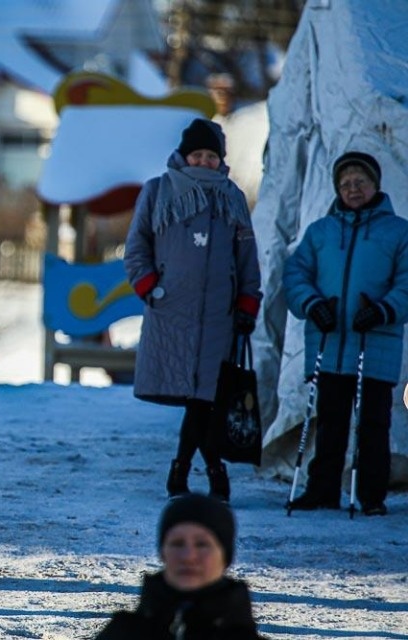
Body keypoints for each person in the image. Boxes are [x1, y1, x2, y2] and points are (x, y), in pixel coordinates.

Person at [124, 118, 262, 502]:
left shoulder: (232, 196)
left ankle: (183, 472)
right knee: (197, 400)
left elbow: (247, 256)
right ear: (183, 156)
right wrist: (152, 288)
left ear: (221, 160)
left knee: (203, 398)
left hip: (220, 315)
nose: (203, 161)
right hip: (172, 312)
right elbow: (136, 248)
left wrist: (249, 302)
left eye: (211, 155)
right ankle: (209, 472)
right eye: (197, 154)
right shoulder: (157, 191)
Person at [284, 151, 408, 517]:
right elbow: (295, 275)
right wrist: (312, 304)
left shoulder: (399, 232)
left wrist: (384, 309)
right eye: (346, 184)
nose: (353, 189)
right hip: (331, 341)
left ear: (375, 185)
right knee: (331, 420)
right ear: (337, 188)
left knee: (373, 423)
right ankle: (321, 488)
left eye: (360, 182)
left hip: (375, 343)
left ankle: (371, 494)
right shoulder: (321, 232)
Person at [95, 493, 265, 639]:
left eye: (202, 544)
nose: (188, 556)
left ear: (225, 556)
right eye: (177, 544)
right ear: (163, 553)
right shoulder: (122, 634)